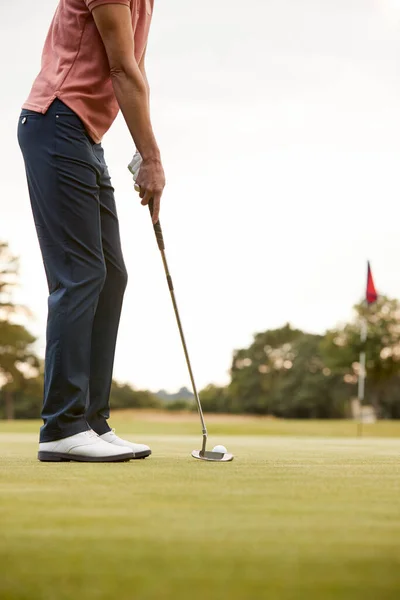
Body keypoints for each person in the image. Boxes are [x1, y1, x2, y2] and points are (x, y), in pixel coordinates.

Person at [17, 0, 165, 462]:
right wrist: (153, 157)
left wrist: (145, 150)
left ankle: (91, 422)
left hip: (84, 136)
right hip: (56, 123)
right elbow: (121, 68)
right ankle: (62, 426)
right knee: (81, 274)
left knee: (110, 274)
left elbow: (135, 68)